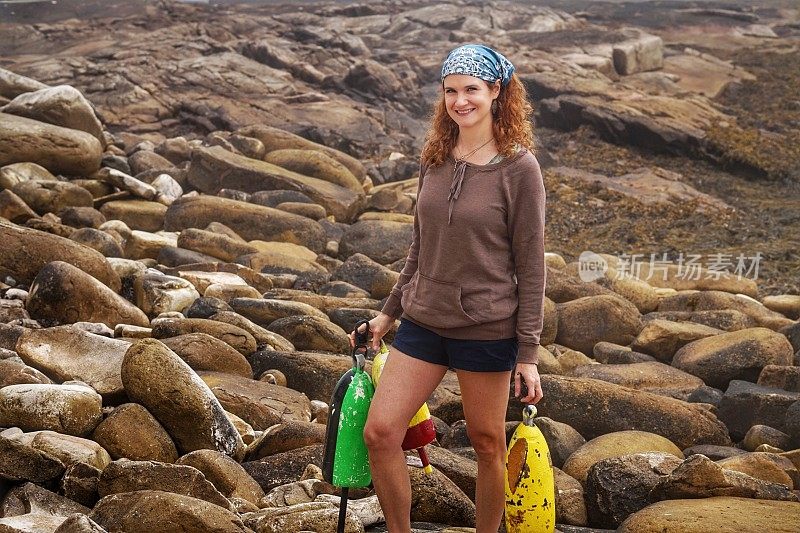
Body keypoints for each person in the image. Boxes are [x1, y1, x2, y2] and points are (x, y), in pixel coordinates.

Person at [351, 43, 546, 533]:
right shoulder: (435, 157)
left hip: (487, 328)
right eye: (451, 91)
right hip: (423, 320)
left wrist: (528, 354)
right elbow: (420, 247)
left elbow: (532, 265)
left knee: (486, 443)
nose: (460, 101)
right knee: (380, 431)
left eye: (471, 90)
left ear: (497, 91)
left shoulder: (519, 169)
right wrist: (387, 315)